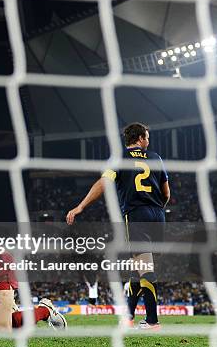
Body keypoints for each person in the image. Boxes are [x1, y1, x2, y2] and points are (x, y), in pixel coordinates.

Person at [66, 122, 170, 330]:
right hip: (158, 215)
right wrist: (157, 209)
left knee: (145, 268)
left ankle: (152, 321)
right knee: (139, 268)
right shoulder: (156, 158)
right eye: (147, 137)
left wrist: (80, 207)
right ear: (140, 138)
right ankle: (128, 316)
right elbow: (167, 194)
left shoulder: (120, 159)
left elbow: (104, 183)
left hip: (137, 214)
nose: (148, 141)